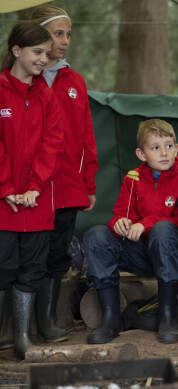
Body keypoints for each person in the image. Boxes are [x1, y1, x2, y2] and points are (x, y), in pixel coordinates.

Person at [0, 5, 99, 351]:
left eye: (67, 35)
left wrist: (89, 182)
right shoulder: (21, 84)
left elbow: (82, 136)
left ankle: (44, 321)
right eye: (58, 34)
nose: (64, 42)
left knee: (54, 256)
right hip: (21, 192)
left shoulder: (72, 83)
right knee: (10, 259)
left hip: (62, 186)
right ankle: (10, 330)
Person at [83, 119, 178, 344]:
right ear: (141, 154)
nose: (164, 152)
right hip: (142, 254)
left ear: (177, 148)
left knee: (163, 229)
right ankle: (111, 320)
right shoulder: (132, 178)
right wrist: (119, 223)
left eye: (169, 145)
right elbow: (119, 214)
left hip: (176, 255)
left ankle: (167, 317)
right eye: (155, 147)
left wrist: (145, 224)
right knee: (96, 234)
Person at [0, 22, 63, 358]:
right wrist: (7, 188)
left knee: (32, 268)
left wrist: (35, 187)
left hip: (37, 202)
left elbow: (53, 143)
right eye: (37, 52)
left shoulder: (47, 95)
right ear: (16, 50)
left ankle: (22, 338)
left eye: (46, 53)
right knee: (3, 265)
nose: (44, 59)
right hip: (3, 203)